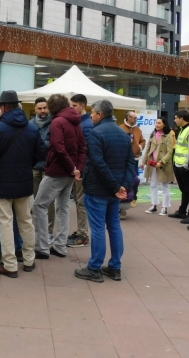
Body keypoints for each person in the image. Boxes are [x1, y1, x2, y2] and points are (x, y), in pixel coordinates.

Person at [0, 91, 46, 277]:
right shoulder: (32, 128)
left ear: (3, 107)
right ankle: (29, 260)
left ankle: (9, 265)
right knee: (26, 221)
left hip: (1, 183)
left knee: (6, 223)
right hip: (24, 181)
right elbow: (41, 154)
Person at [74, 100, 136, 283]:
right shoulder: (123, 133)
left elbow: (98, 163)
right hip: (115, 190)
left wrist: (117, 187)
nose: (91, 115)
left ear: (100, 114)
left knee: (99, 228)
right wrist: (123, 186)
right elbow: (131, 162)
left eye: (92, 113)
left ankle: (94, 268)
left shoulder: (95, 133)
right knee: (114, 226)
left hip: (99, 189)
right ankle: (115, 267)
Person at [32, 94, 87, 259]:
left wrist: (73, 168)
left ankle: (42, 247)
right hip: (70, 173)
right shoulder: (75, 121)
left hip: (57, 171)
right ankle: (60, 246)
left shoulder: (57, 121)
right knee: (62, 208)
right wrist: (78, 169)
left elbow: (57, 147)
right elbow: (83, 147)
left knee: (39, 205)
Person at [67, 94, 92, 248]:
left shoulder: (86, 125)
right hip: (79, 168)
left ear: (83, 106)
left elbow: (86, 150)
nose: (72, 108)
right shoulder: (80, 123)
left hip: (82, 169)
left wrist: (81, 169)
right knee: (78, 200)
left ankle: (82, 234)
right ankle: (81, 231)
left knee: (81, 201)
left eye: (75, 105)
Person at [30, 97, 54, 241]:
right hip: (33, 166)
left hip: (48, 166)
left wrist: (38, 144)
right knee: (35, 200)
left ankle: (49, 230)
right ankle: (38, 229)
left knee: (49, 200)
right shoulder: (30, 124)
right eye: (40, 108)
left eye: (45, 108)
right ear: (35, 109)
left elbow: (53, 144)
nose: (43, 111)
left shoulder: (54, 123)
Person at [141, 117, 175, 216]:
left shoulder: (168, 135)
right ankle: (154, 205)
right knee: (153, 185)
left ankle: (165, 207)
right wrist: (143, 162)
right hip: (152, 164)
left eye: (159, 123)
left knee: (165, 186)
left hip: (163, 165)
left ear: (164, 124)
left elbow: (170, 152)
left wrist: (162, 162)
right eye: (156, 123)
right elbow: (147, 149)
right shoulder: (153, 134)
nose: (157, 124)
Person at [169, 110, 189, 223]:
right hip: (178, 163)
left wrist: (186, 164)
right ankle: (182, 211)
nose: (174, 120)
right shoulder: (181, 130)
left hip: (184, 165)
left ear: (181, 118)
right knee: (183, 189)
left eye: (176, 118)